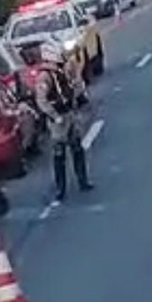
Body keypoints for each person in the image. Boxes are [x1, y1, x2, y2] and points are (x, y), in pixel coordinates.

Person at [34, 41, 94, 203]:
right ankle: (60, 189)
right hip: (58, 120)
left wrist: (76, 96)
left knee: (77, 148)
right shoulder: (45, 77)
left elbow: (75, 86)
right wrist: (54, 116)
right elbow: (41, 100)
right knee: (59, 153)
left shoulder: (63, 70)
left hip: (69, 113)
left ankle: (83, 181)